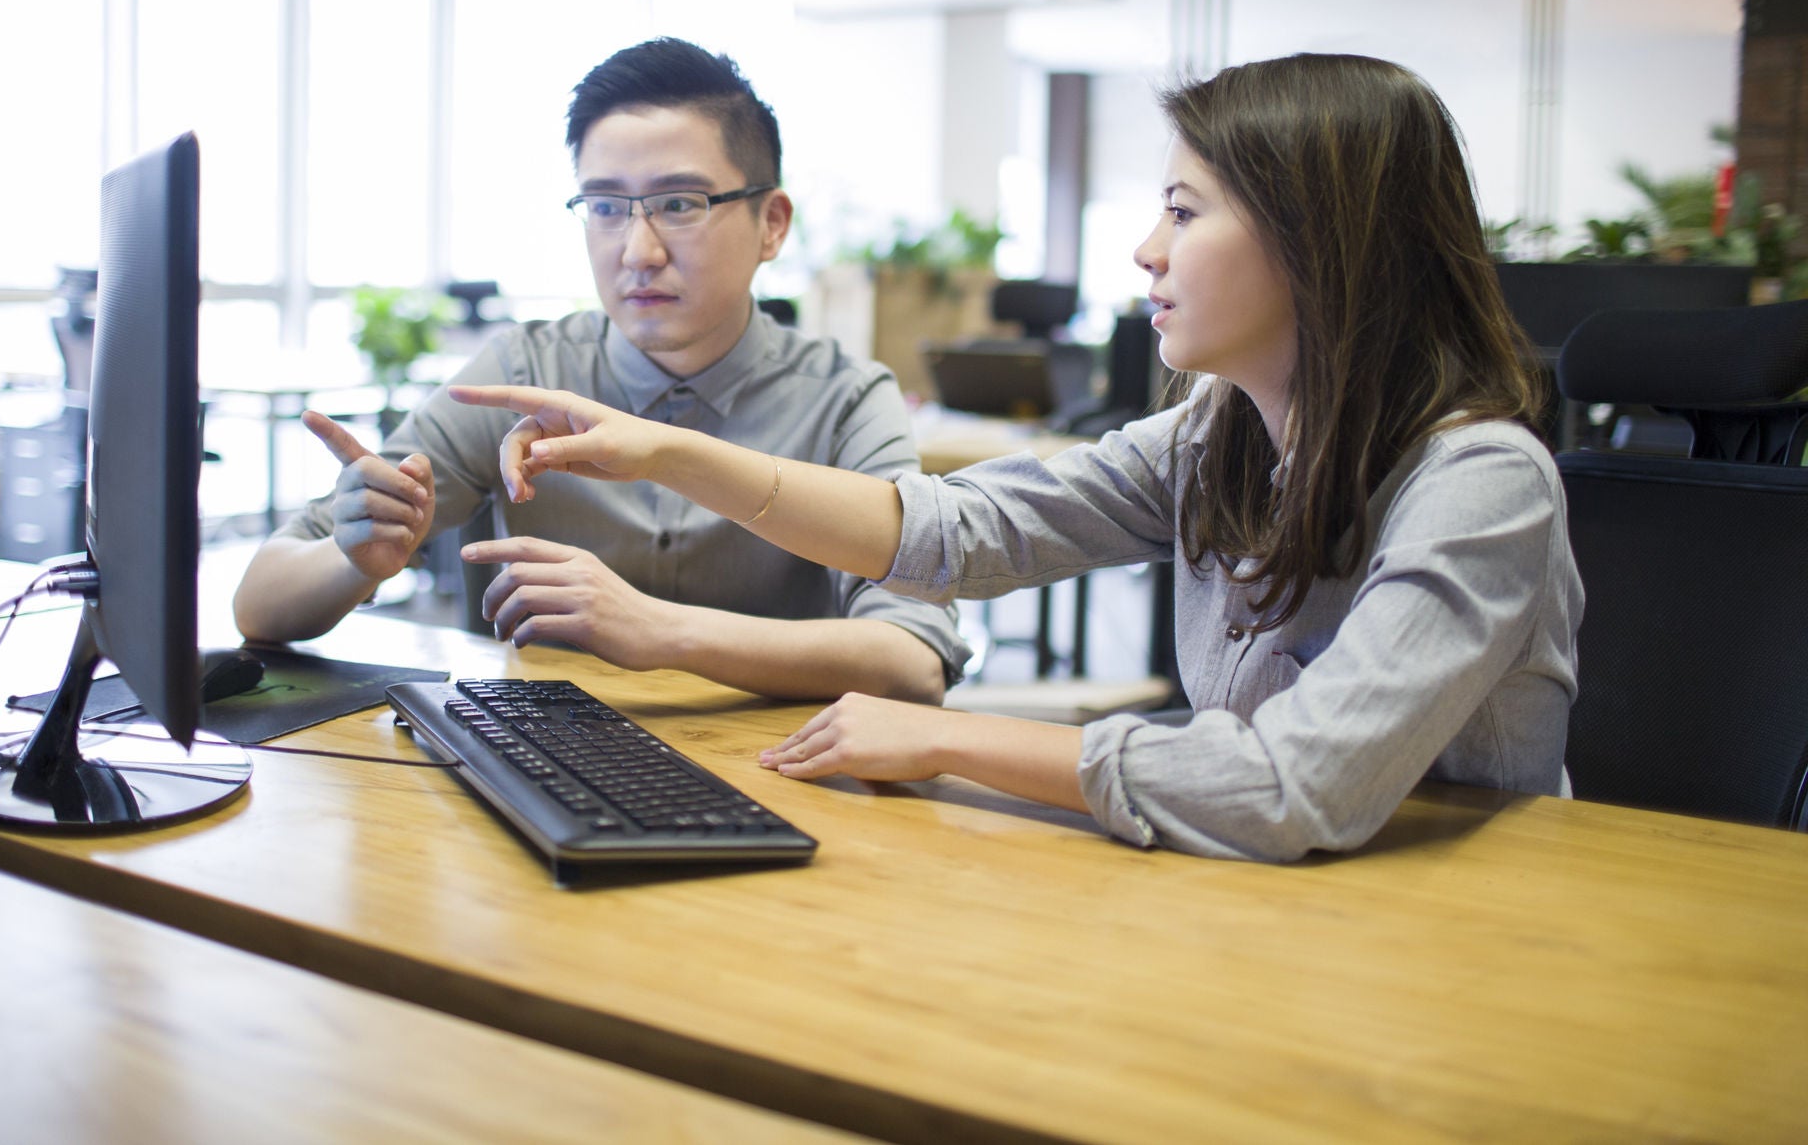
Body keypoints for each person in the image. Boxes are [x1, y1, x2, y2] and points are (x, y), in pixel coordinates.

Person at [449, 53, 1583, 863]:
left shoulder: (1478, 482)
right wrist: (671, 453)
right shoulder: (1214, 439)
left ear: (1314, 244)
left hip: (1458, 920)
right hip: (1265, 891)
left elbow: (1290, 786)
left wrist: (954, 738)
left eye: (1184, 213)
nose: (1145, 252)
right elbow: (951, 533)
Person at [233, 38, 966, 703]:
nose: (637, 249)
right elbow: (259, 603)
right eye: (607, 206)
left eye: (680, 204)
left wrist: (662, 630)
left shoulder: (845, 400)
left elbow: (911, 658)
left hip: (780, 780)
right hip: (533, 773)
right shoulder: (523, 370)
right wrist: (354, 558)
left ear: (772, 223)